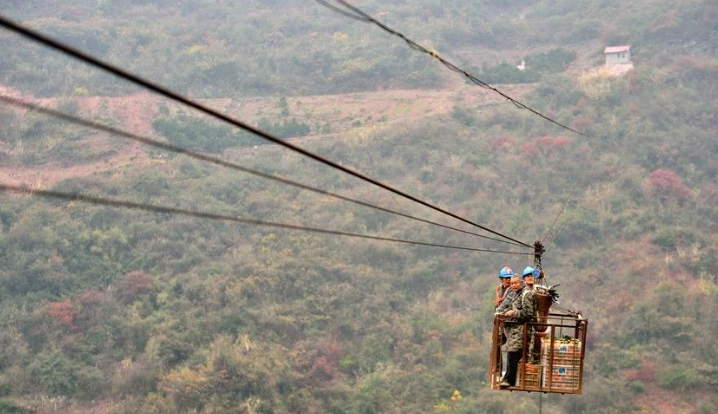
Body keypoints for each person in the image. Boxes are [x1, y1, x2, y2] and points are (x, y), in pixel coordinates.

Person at [499, 275, 537, 387]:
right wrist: (504, 313)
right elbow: (514, 307)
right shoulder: (517, 294)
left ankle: (510, 380)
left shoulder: (526, 295)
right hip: (516, 331)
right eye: (512, 283)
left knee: (513, 354)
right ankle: (506, 378)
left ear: (522, 283)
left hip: (523, 330)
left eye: (515, 283)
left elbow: (529, 314)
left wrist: (514, 314)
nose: (513, 285)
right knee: (511, 354)